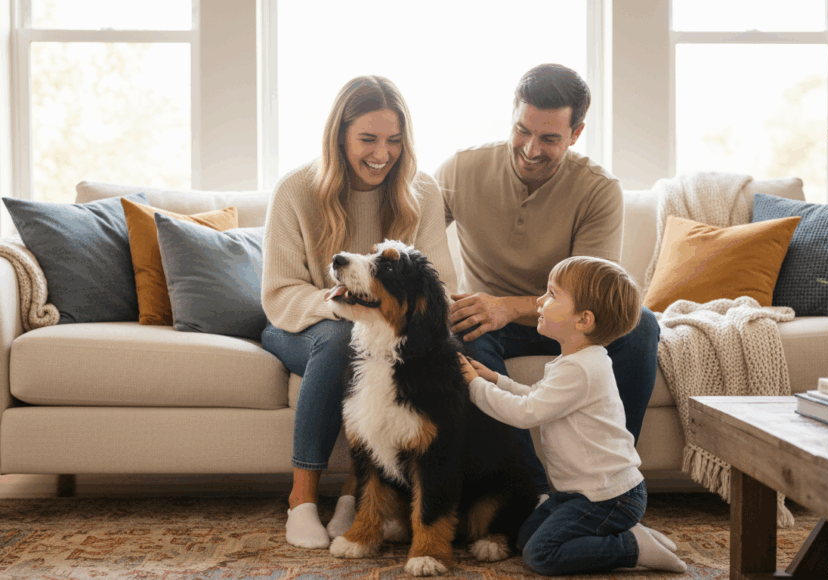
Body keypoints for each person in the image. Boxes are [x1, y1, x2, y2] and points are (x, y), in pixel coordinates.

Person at [436, 63, 660, 498]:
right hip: (495, 329)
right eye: (523, 131)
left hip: (570, 322)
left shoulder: (598, 189)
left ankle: (610, 484)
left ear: (575, 134)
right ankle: (534, 492)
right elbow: (415, 241)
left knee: (641, 325)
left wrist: (508, 305)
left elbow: (596, 292)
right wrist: (451, 298)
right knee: (466, 330)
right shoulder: (459, 171)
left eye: (550, 139)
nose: (531, 149)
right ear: (513, 116)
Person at [261, 76, 458, 549]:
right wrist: (345, 310)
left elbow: (441, 286)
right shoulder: (296, 189)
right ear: (341, 136)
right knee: (338, 341)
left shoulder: (423, 191)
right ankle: (302, 501)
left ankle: (355, 495)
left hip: (376, 327)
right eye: (368, 139)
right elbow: (279, 293)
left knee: (418, 350)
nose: (381, 153)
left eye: (393, 141)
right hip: (301, 324)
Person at [459, 256, 686, 575]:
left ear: (583, 321)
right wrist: (497, 380)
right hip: (578, 494)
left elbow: (527, 413)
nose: (538, 301)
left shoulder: (581, 369)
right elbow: (539, 397)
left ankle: (631, 548)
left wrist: (474, 387)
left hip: (609, 497)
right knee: (525, 537)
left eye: (551, 294)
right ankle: (628, 532)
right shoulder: (574, 361)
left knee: (541, 555)